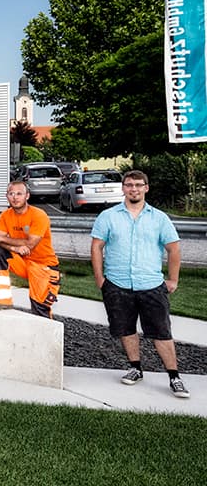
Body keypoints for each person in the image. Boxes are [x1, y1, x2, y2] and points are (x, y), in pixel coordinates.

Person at [90, 170, 189, 399]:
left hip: (151, 284)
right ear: (123, 188)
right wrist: (100, 279)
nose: (133, 189)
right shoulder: (108, 216)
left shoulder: (159, 218)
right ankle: (136, 367)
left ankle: (174, 376)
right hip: (117, 283)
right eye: (129, 185)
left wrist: (173, 279)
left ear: (146, 188)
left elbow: (173, 249)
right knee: (126, 329)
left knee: (161, 332)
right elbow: (97, 247)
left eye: (138, 185)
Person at [0, 181, 60, 318]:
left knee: (39, 308)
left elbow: (30, 244)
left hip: (43, 266)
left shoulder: (38, 215)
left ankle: (44, 336)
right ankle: (3, 301)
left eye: (19, 194)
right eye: (11, 193)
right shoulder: (5, 215)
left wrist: (2, 240)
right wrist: (14, 248)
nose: (15, 197)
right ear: (6, 196)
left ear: (27, 196)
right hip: (22, 262)